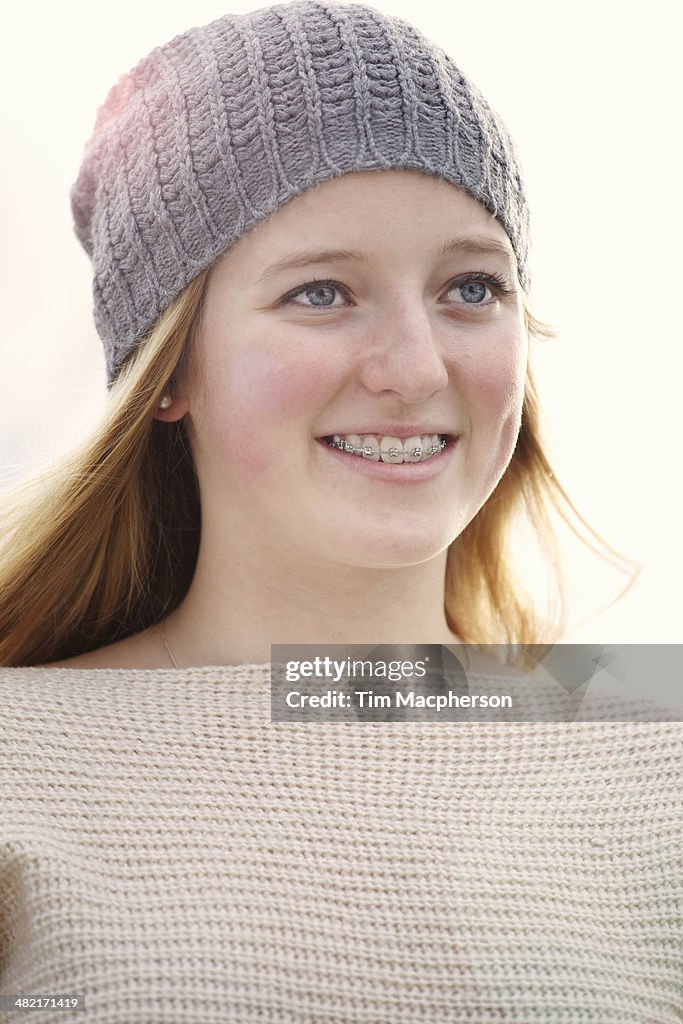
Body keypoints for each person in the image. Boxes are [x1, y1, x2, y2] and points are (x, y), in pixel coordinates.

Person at [0, 2, 680, 1021]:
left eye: (469, 288)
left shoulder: (655, 742)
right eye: (321, 293)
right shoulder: (23, 759)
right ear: (170, 366)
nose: (414, 367)